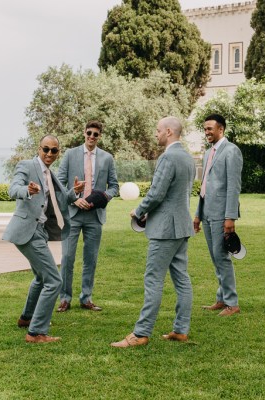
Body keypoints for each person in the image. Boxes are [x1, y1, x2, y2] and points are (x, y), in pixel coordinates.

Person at [111, 116, 195, 348]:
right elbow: (175, 195)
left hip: (165, 230)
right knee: (182, 279)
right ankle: (181, 330)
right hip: (181, 227)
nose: (155, 133)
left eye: (158, 130)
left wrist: (139, 210)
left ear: (169, 131)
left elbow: (157, 193)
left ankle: (141, 333)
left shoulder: (167, 157)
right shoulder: (188, 158)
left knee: (153, 280)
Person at [3, 135, 85, 344]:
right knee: (54, 280)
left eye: (54, 151)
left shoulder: (50, 174)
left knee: (41, 278)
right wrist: (27, 191)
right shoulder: (27, 165)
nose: (49, 154)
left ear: (58, 152)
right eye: (45, 149)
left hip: (40, 231)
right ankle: (36, 332)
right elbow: (13, 189)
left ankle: (27, 318)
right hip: (27, 231)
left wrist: (74, 193)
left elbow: (60, 199)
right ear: (39, 149)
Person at [56, 120, 119, 313]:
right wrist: (74, 199)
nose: (91, 137)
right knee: (67, 257)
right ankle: (65, 298)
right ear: (84, 133)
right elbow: (59, 183)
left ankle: (86, 298)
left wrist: (102, 198)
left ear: (99, 136)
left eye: (95, 134)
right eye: (89, 133)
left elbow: (114, 186)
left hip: (95, 216)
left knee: (90, 258)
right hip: (73, 214)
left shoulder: (107, 158)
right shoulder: (70, 154)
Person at [193, 114, 243, 317]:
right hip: (207, 213)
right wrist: (198, 214)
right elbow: (204, 186)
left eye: (210, 129)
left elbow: (233, 186)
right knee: (216, 258)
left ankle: (232, 303)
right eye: (204, 129)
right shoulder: (207, 153)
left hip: (222, 215)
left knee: (222, 258)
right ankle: (222, 299)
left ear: (220, 129)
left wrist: (230, 217)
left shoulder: (232, 151)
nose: (206, 132)